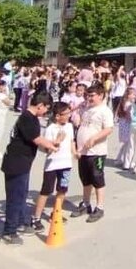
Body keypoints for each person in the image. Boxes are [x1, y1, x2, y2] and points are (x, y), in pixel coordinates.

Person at [0, 91, 57, 245]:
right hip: (16, 163)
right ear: (40, 105)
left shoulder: (31, 118)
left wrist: (49, 144)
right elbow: (36, 139)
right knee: (15, 198)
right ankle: (9, 232)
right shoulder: (27, 118)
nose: (45, 113)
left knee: (22, 195)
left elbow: (36, 140)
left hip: (23, 163)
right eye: (46, 109)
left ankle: (19, 222)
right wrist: (52, 146)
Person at [30, 103, 74, 232]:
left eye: (69, 113)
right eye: (66, 114)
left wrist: (75, 152)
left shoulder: (70, 126)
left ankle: (56, 212)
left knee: (62, 189)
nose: (69, 116)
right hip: (52, 164)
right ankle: (36, 217)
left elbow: (71, 141)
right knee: (46, 190)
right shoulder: (50, 129)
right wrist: (57, 141)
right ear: (58, 116)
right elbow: (47, 149)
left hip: (66, 164)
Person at [73, 85, 114, 223]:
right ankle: (86, 204)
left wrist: (94, 138)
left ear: (101, 95)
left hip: (97, 152)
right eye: (88, 95)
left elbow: (108, 129)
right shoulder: (86, 109)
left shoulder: (105, 111)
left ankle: (100, 207)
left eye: (92, 95)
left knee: (97, 178)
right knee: (85, 178)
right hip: (83, 151)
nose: (89, 98)